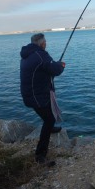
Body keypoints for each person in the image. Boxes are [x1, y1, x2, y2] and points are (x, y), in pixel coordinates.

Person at [20, 33, 65, 166]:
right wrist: (61, 65)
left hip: (29, 94)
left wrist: (54, 65)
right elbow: (55, 70)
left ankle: (49, 128)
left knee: (48, 117)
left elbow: (44, 68)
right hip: (37, 96)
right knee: (49, 119)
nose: (46, 44)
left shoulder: (27, 54)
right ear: (42, 43)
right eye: (45, 42)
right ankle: (40, 155)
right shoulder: (41, 55)